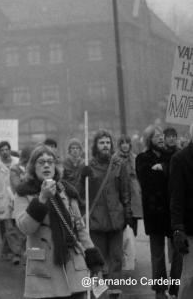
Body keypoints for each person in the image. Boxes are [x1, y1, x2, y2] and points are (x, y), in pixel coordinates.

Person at [15, 145, 104, 299]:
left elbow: (80, 228)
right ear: (32, 167)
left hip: (73, 267)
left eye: (50, 161)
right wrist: (42, 198)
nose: (46, 165)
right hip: (44, 271)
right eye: (41, 162)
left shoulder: (67, 190)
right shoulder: (24, 193)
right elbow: (25, 227)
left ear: (56, 166)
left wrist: (94, 261)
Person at [79, 130, 131, 299]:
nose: (105, 146)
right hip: (96, 221)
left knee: (116, 259)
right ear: (96, 146)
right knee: (96, 261)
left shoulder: (119, 165)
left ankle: (114, 292)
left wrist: (127, 213)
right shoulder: (88, 166)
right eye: (101, 143)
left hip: (116, 219)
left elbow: (125, 192)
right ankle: (97, 293)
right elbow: (81, 195)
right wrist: (82, 178)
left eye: (108, 142)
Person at [136, 125, 181, 299]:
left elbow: (177, 175)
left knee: (178, 250)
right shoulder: (142, 158)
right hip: (154, 211)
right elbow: (146, 181)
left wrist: (163, 168)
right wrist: (163, 173)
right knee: (157, 254)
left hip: (171, 210)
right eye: (157, 136)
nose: (161, 138)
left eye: (162, 135)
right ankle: (160, 289)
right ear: (149, 139)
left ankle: (175, 286)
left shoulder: (171, 156)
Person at [169, 123, 193, 299]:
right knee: (189, 279)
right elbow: (176, 197)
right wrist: (178, 228)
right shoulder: (180, 159)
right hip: (191, 228)